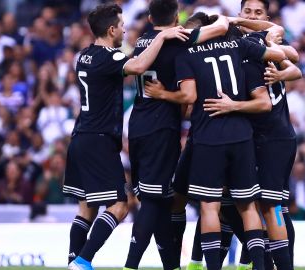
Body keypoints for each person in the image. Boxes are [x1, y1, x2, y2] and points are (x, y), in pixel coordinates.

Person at [145, 15, 287, 269]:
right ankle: (259, 265)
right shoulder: (239, 47)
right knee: (248, 208)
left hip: (209, 137)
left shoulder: (186, 56)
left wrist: (162, 94)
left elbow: (189, 98)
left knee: (209, 207)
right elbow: (267, 93)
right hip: (243, 136)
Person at [64, 4, 190, 270]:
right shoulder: (109, 58)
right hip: (99, 140)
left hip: (80, 138)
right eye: (121, 25)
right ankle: (83, 260)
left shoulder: (84, 56)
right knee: (120, 206)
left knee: (86, 209)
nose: (124, 29)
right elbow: (139, 64)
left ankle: (72, 262)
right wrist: (162, 36)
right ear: (111, 30)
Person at [124, 1, 229, 269]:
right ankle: (130, 265)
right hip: (160, 128)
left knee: (158, 198)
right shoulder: (178, 44)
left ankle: (172, 266)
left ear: (149, 17)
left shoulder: (142, 41)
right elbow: (189, 95)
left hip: (137, 126)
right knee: (152, 200)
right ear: (176, 17)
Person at [203, 1, 302, 269]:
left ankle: (279, 264)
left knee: (273, 208)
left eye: (258, 13)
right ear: (239, 13)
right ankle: (254, 261)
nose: (252, 16)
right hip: (252, 137)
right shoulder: (241, 45)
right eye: (248, 12)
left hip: (273, 136)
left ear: (265, 17)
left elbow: (294, 61)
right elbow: (293, 61)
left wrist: (282, 72)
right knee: (244, 204)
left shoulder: (260, 44)